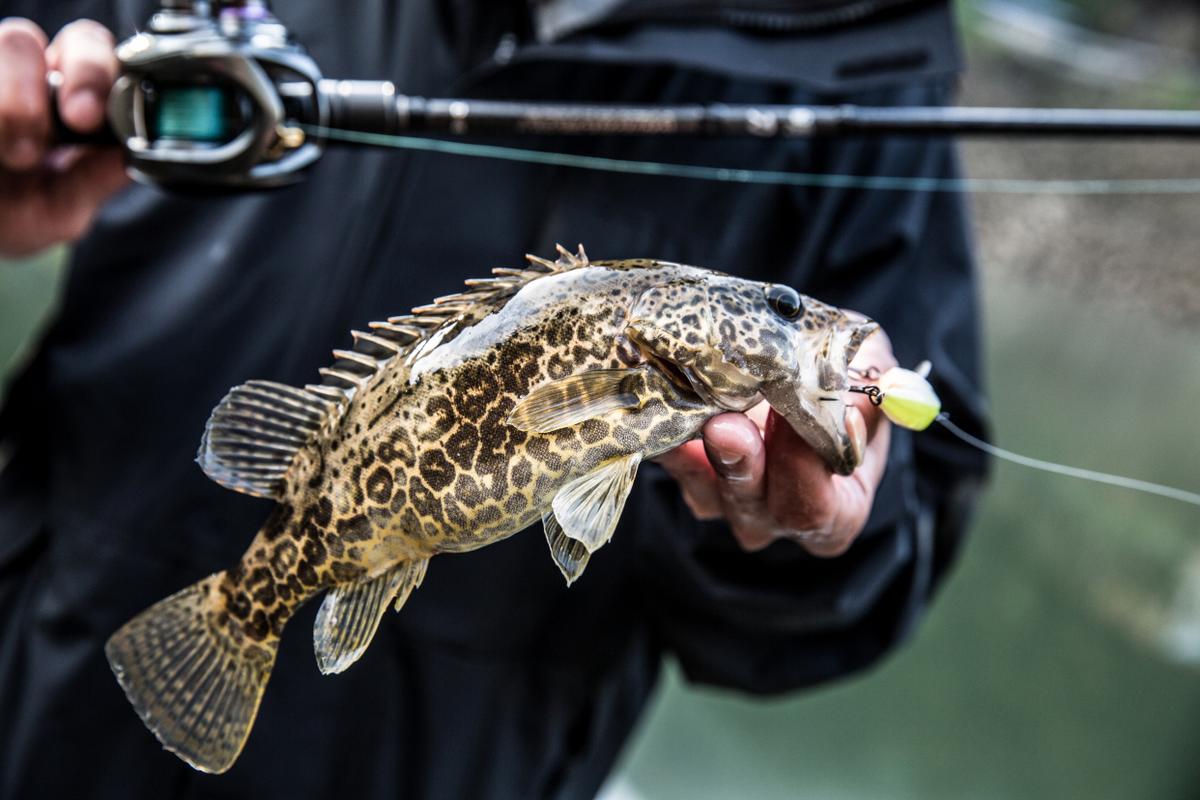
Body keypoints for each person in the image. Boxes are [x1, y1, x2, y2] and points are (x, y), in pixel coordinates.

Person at [0, 2, 988, 798]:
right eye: (778, 307)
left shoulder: (869, 66)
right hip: (37, 705)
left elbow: (894, 540)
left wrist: (804, 534)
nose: (791, 321)